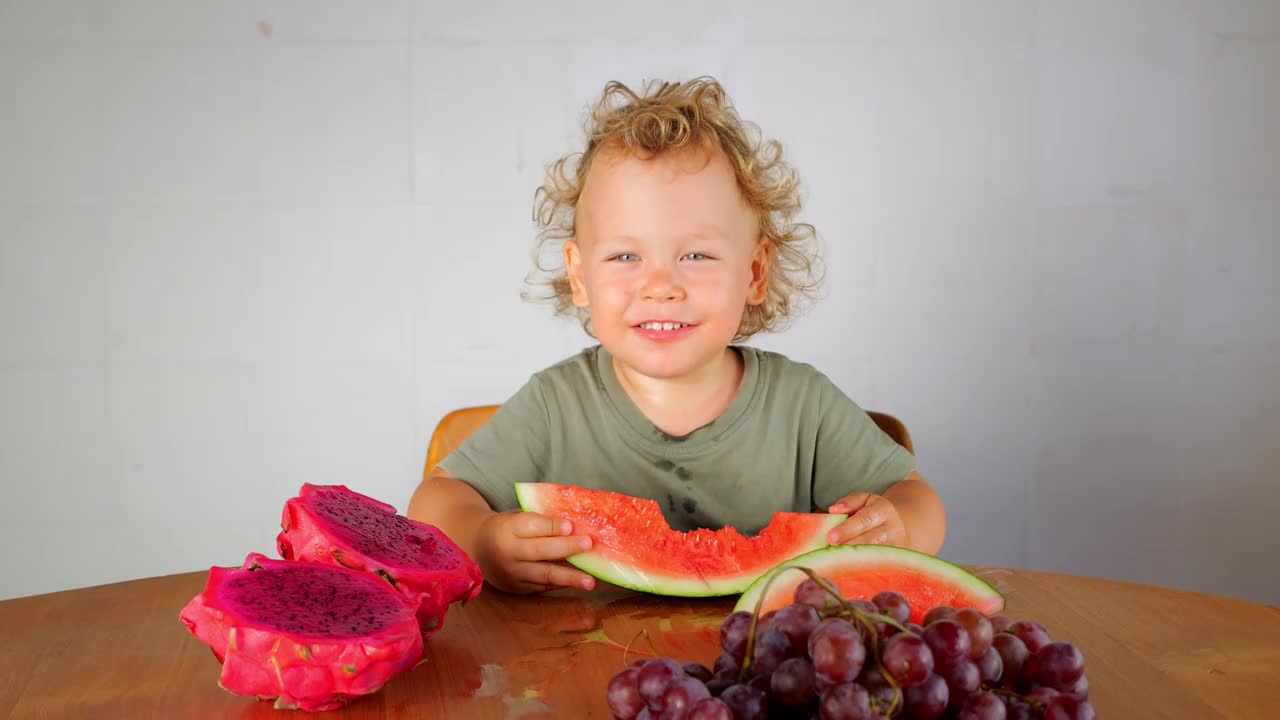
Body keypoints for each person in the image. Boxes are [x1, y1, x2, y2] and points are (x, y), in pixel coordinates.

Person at [408, 77, 946, 594]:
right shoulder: (554, 406)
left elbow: (919, 501)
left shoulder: (803, 406)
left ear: (754, 273)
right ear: (579, 276)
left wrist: (899, 526)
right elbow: (436, 500)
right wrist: (482, 542)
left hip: (763, 672)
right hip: (580, 670)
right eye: (624, 256)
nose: (660, 285)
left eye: (696, 255)